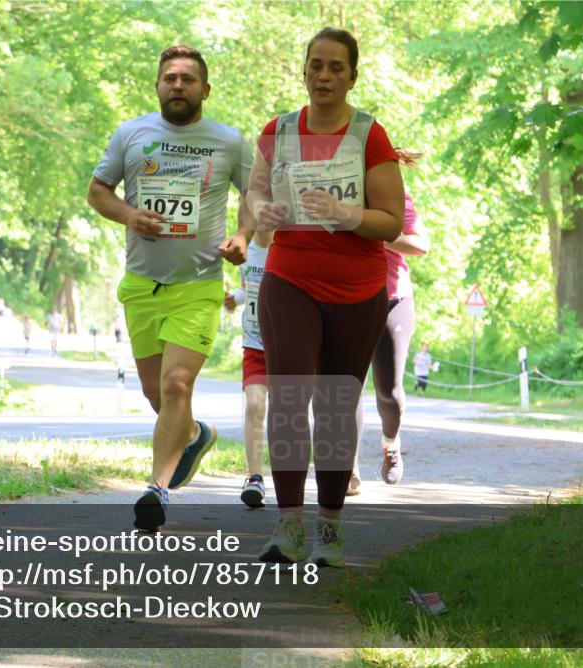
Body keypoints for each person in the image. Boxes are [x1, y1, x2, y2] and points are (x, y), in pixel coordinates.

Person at [247, 27, 405, 567]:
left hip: (356, 289)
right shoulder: (278, 130)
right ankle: (289, 526)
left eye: (336, 67)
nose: (324, 75)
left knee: (336, 404)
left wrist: (345, 213)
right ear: (304, 71)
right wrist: (262, 211)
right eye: (316, 64)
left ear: (352, 77)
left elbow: (390, 221)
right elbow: (254, 194)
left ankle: (330, 529)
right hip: (289, 278)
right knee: (288, 398)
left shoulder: (369, 135)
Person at [87, 45, 252, 531]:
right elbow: (97, 191)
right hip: (142, 284)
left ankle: (157, 489)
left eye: (187, 79)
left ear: (206, 89)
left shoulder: (228, 141)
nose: (177, 85)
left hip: (198, 285)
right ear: (158, 86)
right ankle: (194, 434)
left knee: (177, 384)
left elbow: (255, 195)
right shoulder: (131, 134)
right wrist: (129, 214)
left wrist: (243, 235)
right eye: (169, 78)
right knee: (155, 392)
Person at [351, 156, 430, 491]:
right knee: (346, 386)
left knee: (389, 390)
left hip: (392, 299)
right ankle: (348, 466)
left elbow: (421, 244)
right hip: (348, 298)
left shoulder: (397, 196)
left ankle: (391, 443)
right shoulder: (337, 193)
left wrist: (377, 232)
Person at [223, 227, 274, 508]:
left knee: (287, 413)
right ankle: (255, 478)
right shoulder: (246, 248)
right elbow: (247, 288)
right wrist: (235, 298)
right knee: (254, 406)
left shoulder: (289, 246)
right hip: (255, 343)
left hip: (288, 345)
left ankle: (291, 479)